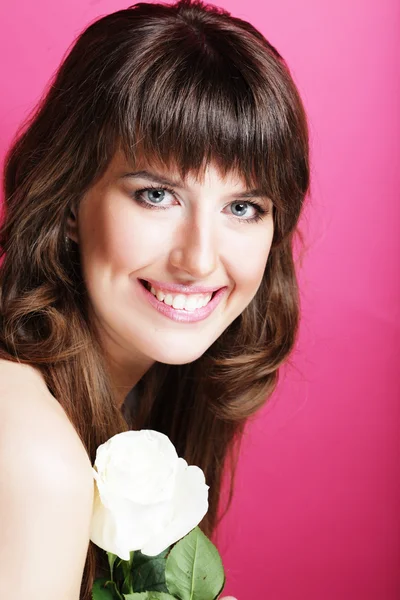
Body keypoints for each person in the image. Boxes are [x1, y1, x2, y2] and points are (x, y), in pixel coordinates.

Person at [0, 0, 310, 598]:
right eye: (156, 195)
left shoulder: (141, 400)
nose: (197, 259)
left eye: (243, 208)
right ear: (68, 204)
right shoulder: (34, 451)